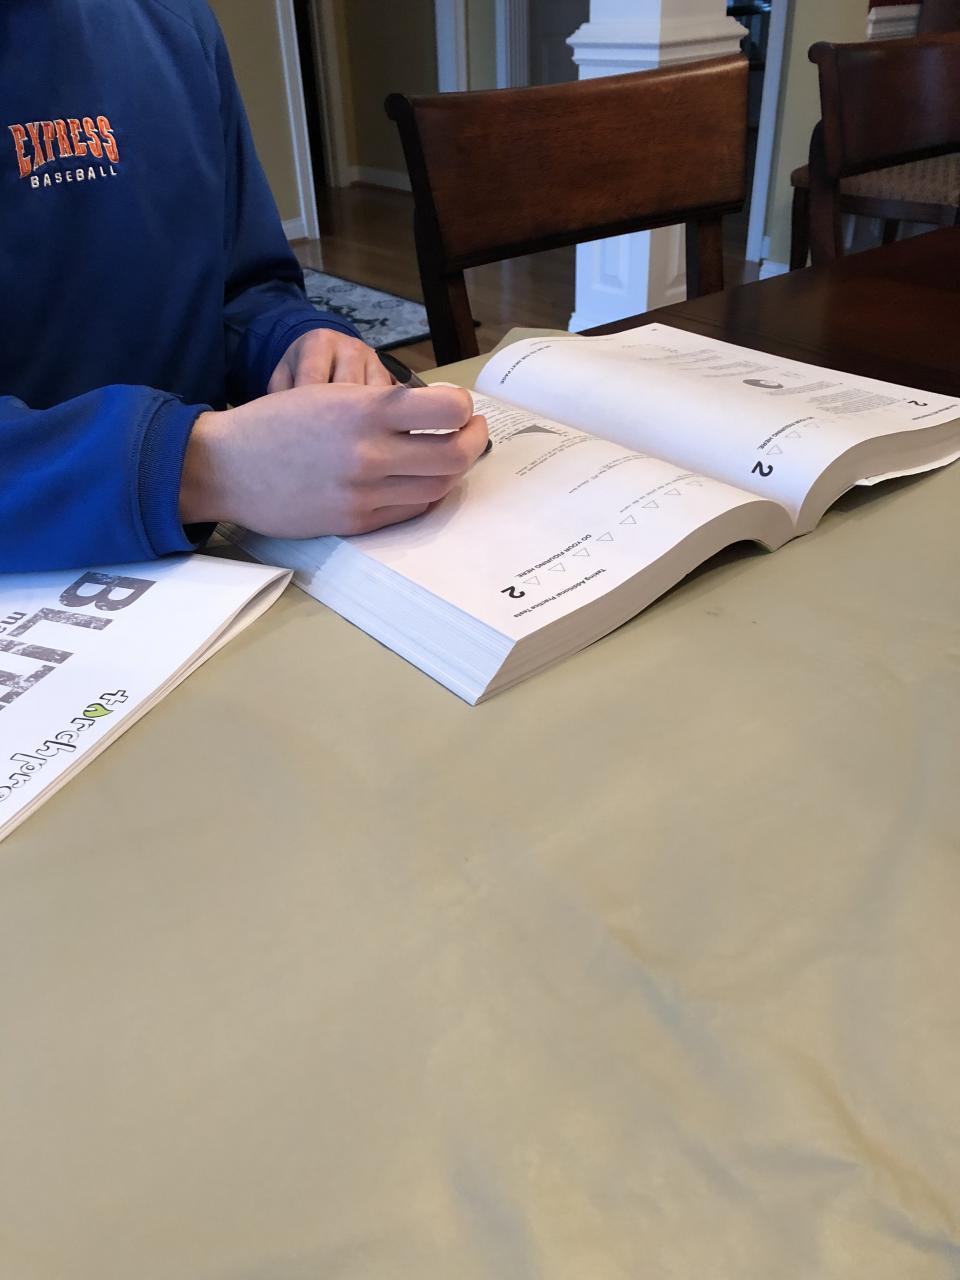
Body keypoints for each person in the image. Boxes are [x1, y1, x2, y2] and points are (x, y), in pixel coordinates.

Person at [0, 0, 488, 573]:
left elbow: (242, 286)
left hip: (208, 564)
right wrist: (196, 468)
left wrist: (296, 344)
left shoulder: (176, 21)